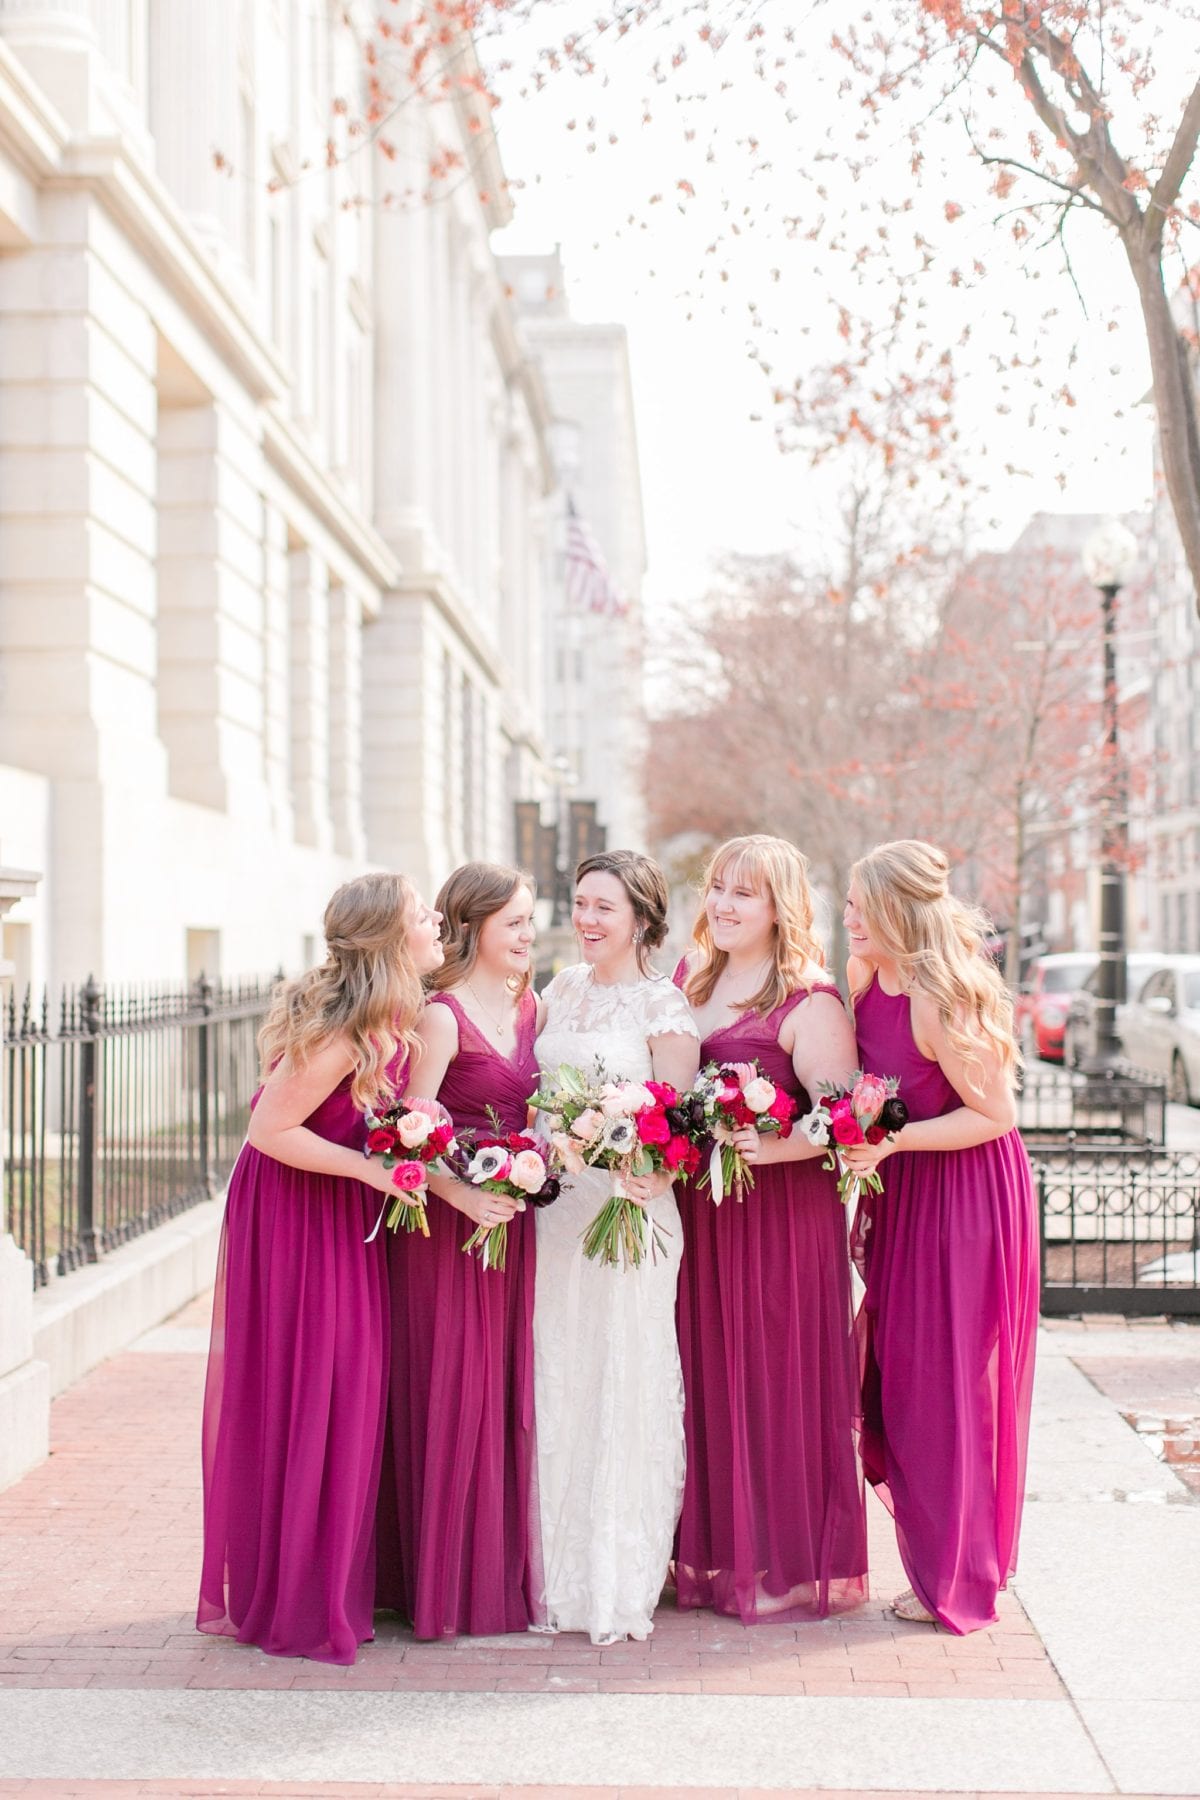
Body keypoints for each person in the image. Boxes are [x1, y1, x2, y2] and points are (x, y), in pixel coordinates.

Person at [197, 872, 444, 1664]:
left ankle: (333, 1578)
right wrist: (377, 1172)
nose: (436, 919)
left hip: (334, 1207)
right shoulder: (347, 1027)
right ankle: (303, 1598)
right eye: (421, 913)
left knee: (348, 1388)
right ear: (388, 937)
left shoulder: (391, 1020)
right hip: (298, 1216)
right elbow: (271, 1130)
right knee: (323, 1386)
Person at [841, 839, 1038, 1634]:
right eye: (848, 905)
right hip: (908, 1193)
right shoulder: (865, 982)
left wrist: (890, 1143)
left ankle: (959, 1577)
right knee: (905, 1377)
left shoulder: (935, 994)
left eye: (862, 907)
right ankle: (945, 1556)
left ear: (898, 912)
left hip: (965, 1200)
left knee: (947, 1386)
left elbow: (994, 1115)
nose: (849, 919)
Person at [673, 834, 868, 1623]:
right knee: (706, 1374)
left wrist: (772, 1143)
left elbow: (848, 1119)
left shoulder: (811, 1000)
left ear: (778, 907)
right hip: (701, 1215)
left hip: (780, 1221)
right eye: (717, 887)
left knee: (773, 1375)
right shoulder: (690, 980)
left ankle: (781, 1559)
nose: (721, 903)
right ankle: (712, 1550)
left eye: (742, 892)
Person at [532, 849, 700, 1644]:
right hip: (560, 1214)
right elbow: (537, 1103)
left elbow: (683, 1127)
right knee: (559, 1369)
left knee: (623, 1372)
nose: (586, 920)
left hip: (632, 1215)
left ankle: (616, 1573)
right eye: (579, 903)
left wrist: (648, 1168)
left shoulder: (663, 1006)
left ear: (640, 916)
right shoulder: (558, 990)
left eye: (603, 906)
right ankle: (550, 1564)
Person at [376, 862, 543, 1638]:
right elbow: (407, 1136)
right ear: (472, 926)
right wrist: (463, 1195)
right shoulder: (440, 1015)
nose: (528, 934)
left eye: (530, 920)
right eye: (514, 921)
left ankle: (497, 1568)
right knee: (455, 1388)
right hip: (449, 1231)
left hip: (517, 1223)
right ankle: (442, 1584)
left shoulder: (531, 1005)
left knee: (505, 1394)